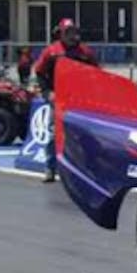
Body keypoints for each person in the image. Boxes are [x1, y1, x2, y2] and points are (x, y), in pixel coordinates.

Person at [33, 18, 98, 182]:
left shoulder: (85, 52)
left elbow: (96, 74)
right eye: (68, 32)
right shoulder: (51, 51)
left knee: (82, 133)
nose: (71, 35)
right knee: (54, 133)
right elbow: (39, 72)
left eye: (74, 32)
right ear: (61, 33)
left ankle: (83, 169)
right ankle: (50, 168)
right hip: (59, 98)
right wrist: (47, 92)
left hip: (80, 99)